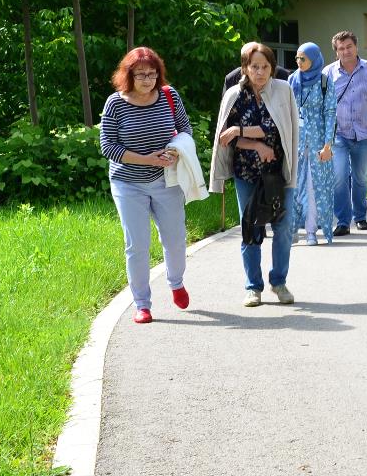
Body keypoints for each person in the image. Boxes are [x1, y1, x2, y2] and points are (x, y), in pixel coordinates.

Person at [99, 47, 193, 325]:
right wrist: (145, 159)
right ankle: (142, 304)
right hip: (128, 184)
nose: (148, 80)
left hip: (167, 180)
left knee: (176, 240)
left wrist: (175, 151)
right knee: (137, 245)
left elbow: (185, 129)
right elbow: (108, 146)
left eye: (152, 74)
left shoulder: (169, 95)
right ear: (128, 75)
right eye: (141, 75)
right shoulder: (115, 103)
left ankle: (175, 282)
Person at [211, 41, 298, 308]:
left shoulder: (283, 90)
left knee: (283, 227)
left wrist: (240, 131)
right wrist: (253, 142)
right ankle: (253, 287)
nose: (260, 72)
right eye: (254, 66)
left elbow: (275, 127)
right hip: (246, 172)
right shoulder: (234, 95)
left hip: (277, 171)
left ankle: (279, 281)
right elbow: (227, 138)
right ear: (245, 69)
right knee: (250, 228)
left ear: (272, 68)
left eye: (265, 66)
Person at [328, 30, 367, 235]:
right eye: (341, 48)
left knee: (361, 177)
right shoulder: (328, 73)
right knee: (338, 177)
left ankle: (360, 216)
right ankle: (343, 221)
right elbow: (322, 106)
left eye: (349, 47)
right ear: (336, 52)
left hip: (365, 133)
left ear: (356, 47)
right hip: (338, 134)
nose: (345, 51)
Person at [291, 42, 337, 245]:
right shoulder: (292, 80)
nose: (299, 62)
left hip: (318, 143)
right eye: (297, 58)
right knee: (293, 187)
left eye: (304, 58)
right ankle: (291, 229)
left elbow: (330, 113)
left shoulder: (325, 81)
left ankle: (311, 231)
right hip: (296, 144)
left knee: (314, 188)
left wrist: (328, 144)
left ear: (314, 59)